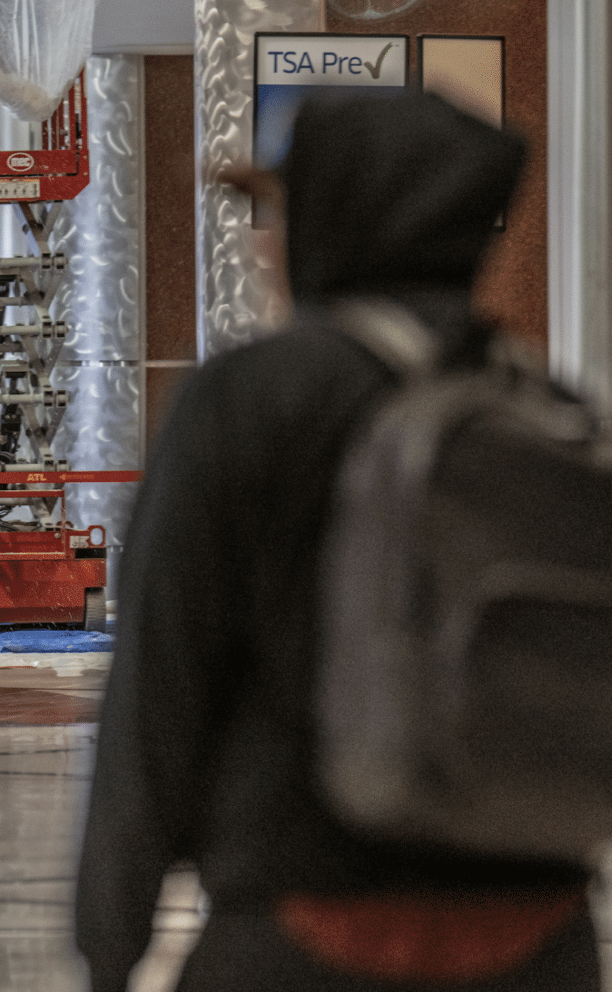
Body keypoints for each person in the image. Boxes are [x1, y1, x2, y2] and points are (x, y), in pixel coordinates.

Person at [74, 94, 598, 992]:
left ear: (339, 216)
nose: (261, 242)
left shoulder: (252, 398)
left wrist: (110, 936)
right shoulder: (545, 407)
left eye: (277, 212)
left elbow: (161, 681)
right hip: (537, 925)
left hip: (302, 918)